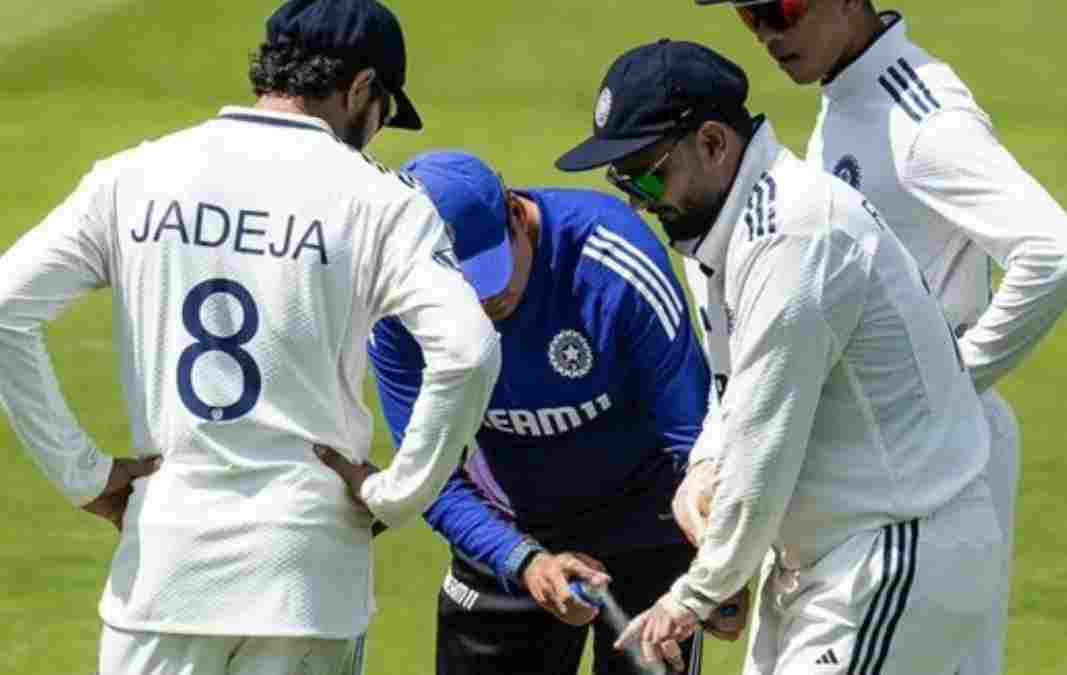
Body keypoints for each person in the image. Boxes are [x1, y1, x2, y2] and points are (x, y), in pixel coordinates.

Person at [0, 1, 501, 673]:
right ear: (360, 90)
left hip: (165, 566)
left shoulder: (135, 175)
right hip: (306, 577)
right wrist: (398, 492)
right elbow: (468, 349)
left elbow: (6, 307)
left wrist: (83, 474)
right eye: (384, 110)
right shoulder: (382, 203)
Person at [556, 39, 1004, 675]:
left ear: (713, 143)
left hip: (892, 549)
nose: (637, 199)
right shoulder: (724, 233)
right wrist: (706, 471)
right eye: (620, 180)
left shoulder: (793, 235)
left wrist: (697, 592)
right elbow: (734, 392)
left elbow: (768, 429)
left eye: (647, 173)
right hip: (825, 561)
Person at [693, 3, 1067, 673]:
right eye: (750, 13)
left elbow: (1058, 255)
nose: (769, 31)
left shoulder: (920, 121)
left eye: (784, 7)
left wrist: (945, 381)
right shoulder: (849, 94)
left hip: (933, 467)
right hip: (879, 466)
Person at [366, 150, 718, 674]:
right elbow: (429, 477)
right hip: (504, 523)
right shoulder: (396, 310)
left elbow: (697, 441)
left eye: (489, 273)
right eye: (458, 291)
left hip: (649, 522)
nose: (484, 303)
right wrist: (523, 561)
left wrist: (718, 571)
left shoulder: (613, 260)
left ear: (514, 213)